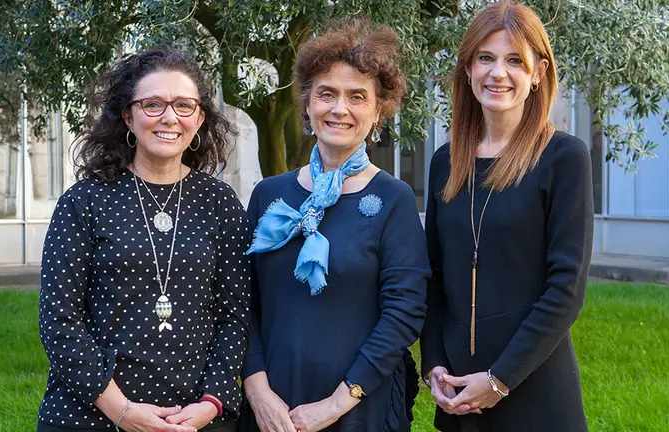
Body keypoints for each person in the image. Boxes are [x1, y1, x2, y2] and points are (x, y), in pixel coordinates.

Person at [37, 46, 251, 432]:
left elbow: (235, 316)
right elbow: (59, 320)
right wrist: (121, 410)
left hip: (196, 418)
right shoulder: (84, 201)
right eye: (153, 104)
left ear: (199, 118)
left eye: (184, 106)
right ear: (127, 116)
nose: (170, 117)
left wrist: (210, 403)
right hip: (93, 415)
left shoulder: (220, 203)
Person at [239, 19, 429, 432]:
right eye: (327, 94)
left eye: (357, 96)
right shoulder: (268, 195)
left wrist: (335, 405)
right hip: (270, 409)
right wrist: (258, 393)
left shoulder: (394, 200)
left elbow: (404, 314)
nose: (339, 109)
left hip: (358, 407)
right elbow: (240, 303)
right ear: (307, 104)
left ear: (378, 110)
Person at [420, 2, 594, 431]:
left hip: (534, 390)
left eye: (515, 60)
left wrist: (499, 380)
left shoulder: (564, 159)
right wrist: (434, 364)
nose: (498, 72)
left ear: (538, 73)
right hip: (459, 395)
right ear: (467, 69)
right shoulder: (445, 162)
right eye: (486, 58)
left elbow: (566, 290)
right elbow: (435, 277)